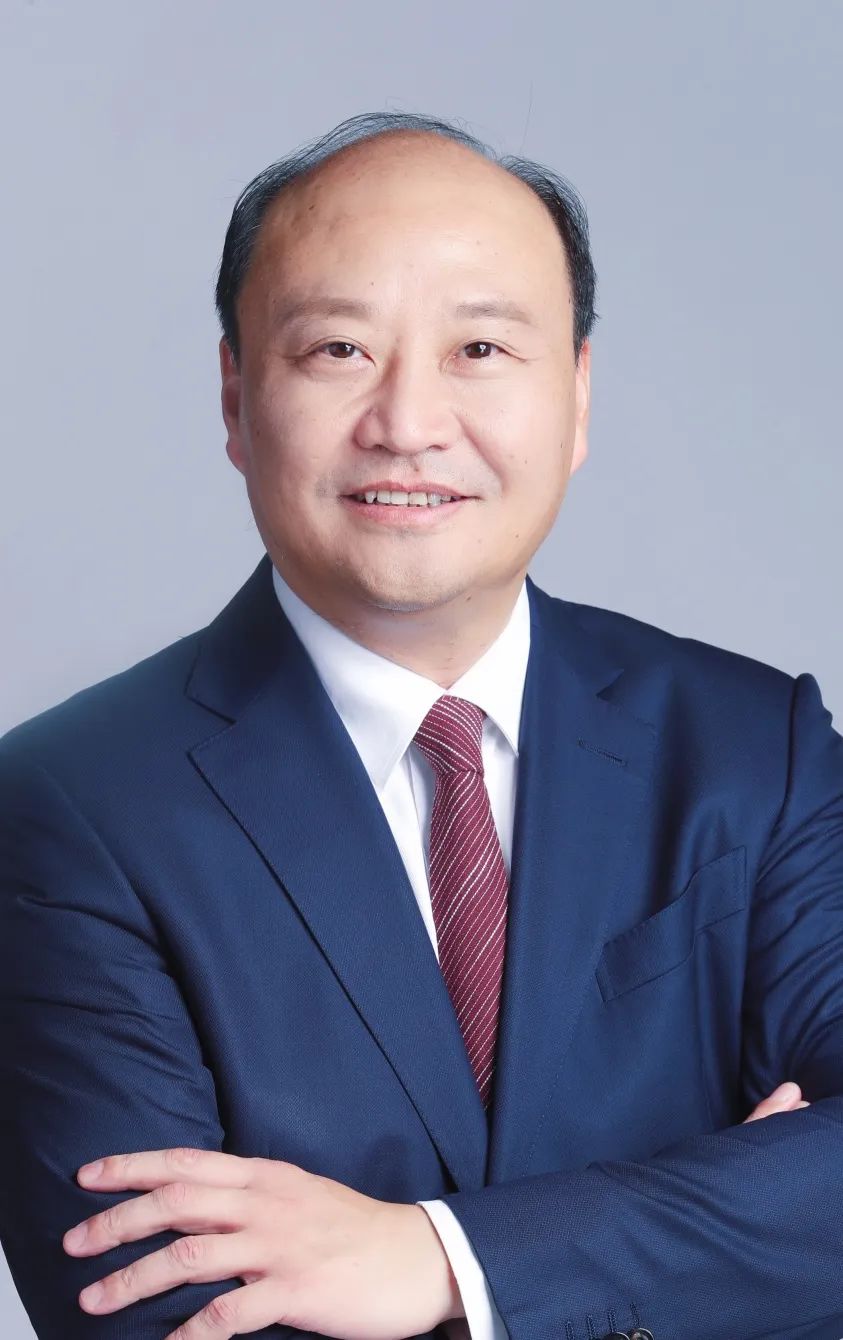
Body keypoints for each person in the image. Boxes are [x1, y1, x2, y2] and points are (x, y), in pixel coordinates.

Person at [0, 108, 840, 1340]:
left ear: (578, 395)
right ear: (236, 395)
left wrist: (441, 1260)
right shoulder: (65, 809)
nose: (408, 421)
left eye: (481, 348)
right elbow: (158, 1318)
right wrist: (731, 1232)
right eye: (338, 348)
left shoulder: (757, 749)